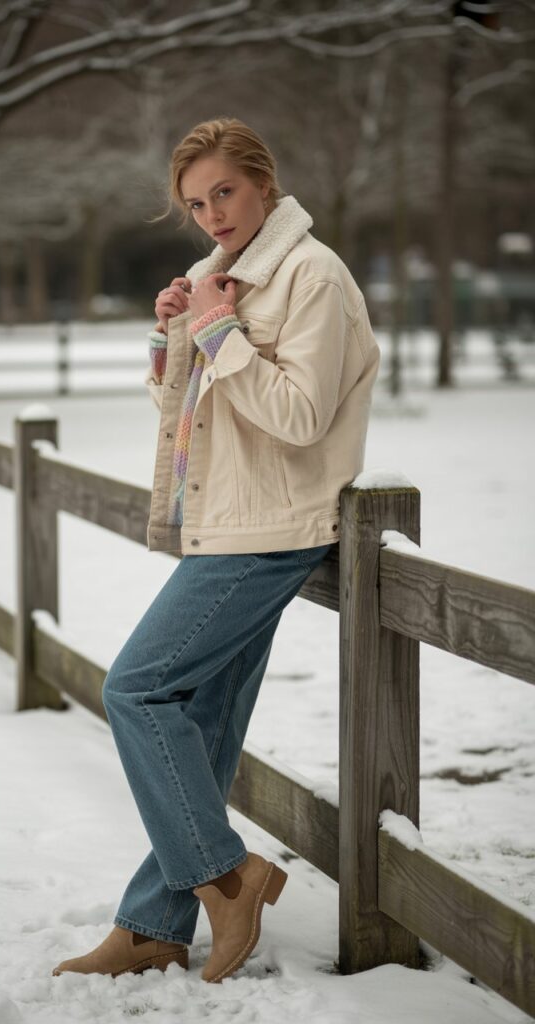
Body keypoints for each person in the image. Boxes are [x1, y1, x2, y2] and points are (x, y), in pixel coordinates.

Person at [52, 116, 380, 985]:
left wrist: (218, 335)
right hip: (226, 520)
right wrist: (173, 340)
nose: (211, 214)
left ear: (265, 185)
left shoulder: (312, 276)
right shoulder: (214, 276)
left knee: (135, 688)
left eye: (224, 193)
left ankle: (228, 878)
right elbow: (195, 417)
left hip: (270, 529)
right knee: (201, 723)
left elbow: (301, 419)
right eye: (196, 203)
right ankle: (154, 926)